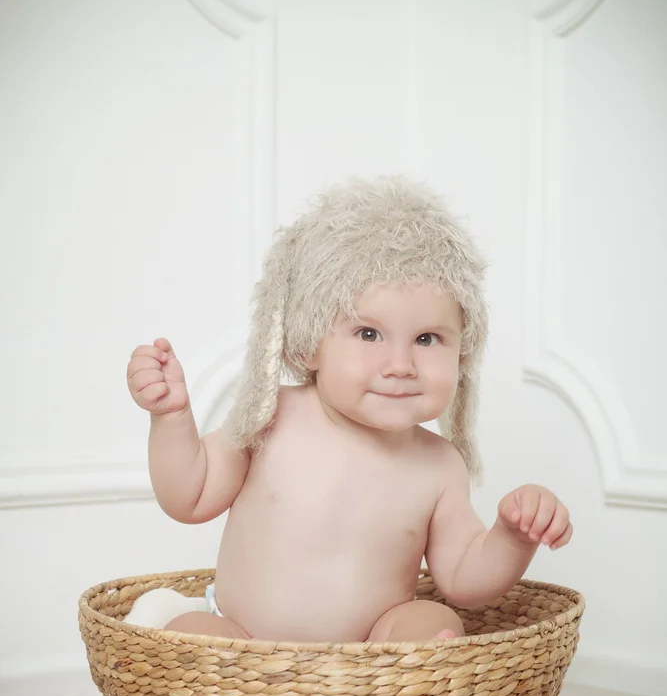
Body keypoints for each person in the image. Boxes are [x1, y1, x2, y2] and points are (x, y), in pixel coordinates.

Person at [125, 176, 572, 642]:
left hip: (368, 665)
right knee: (189, 633)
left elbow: (463, 580)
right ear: (307, 345)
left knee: (434, 622)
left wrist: (511, 536)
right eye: (368, 334)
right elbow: (190, 497)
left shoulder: (439, 465)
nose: (400, 365)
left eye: (427, 339)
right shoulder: (272, 417)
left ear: (462, 353)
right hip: (245, 646)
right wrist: (172, 417)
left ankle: (400, 691)